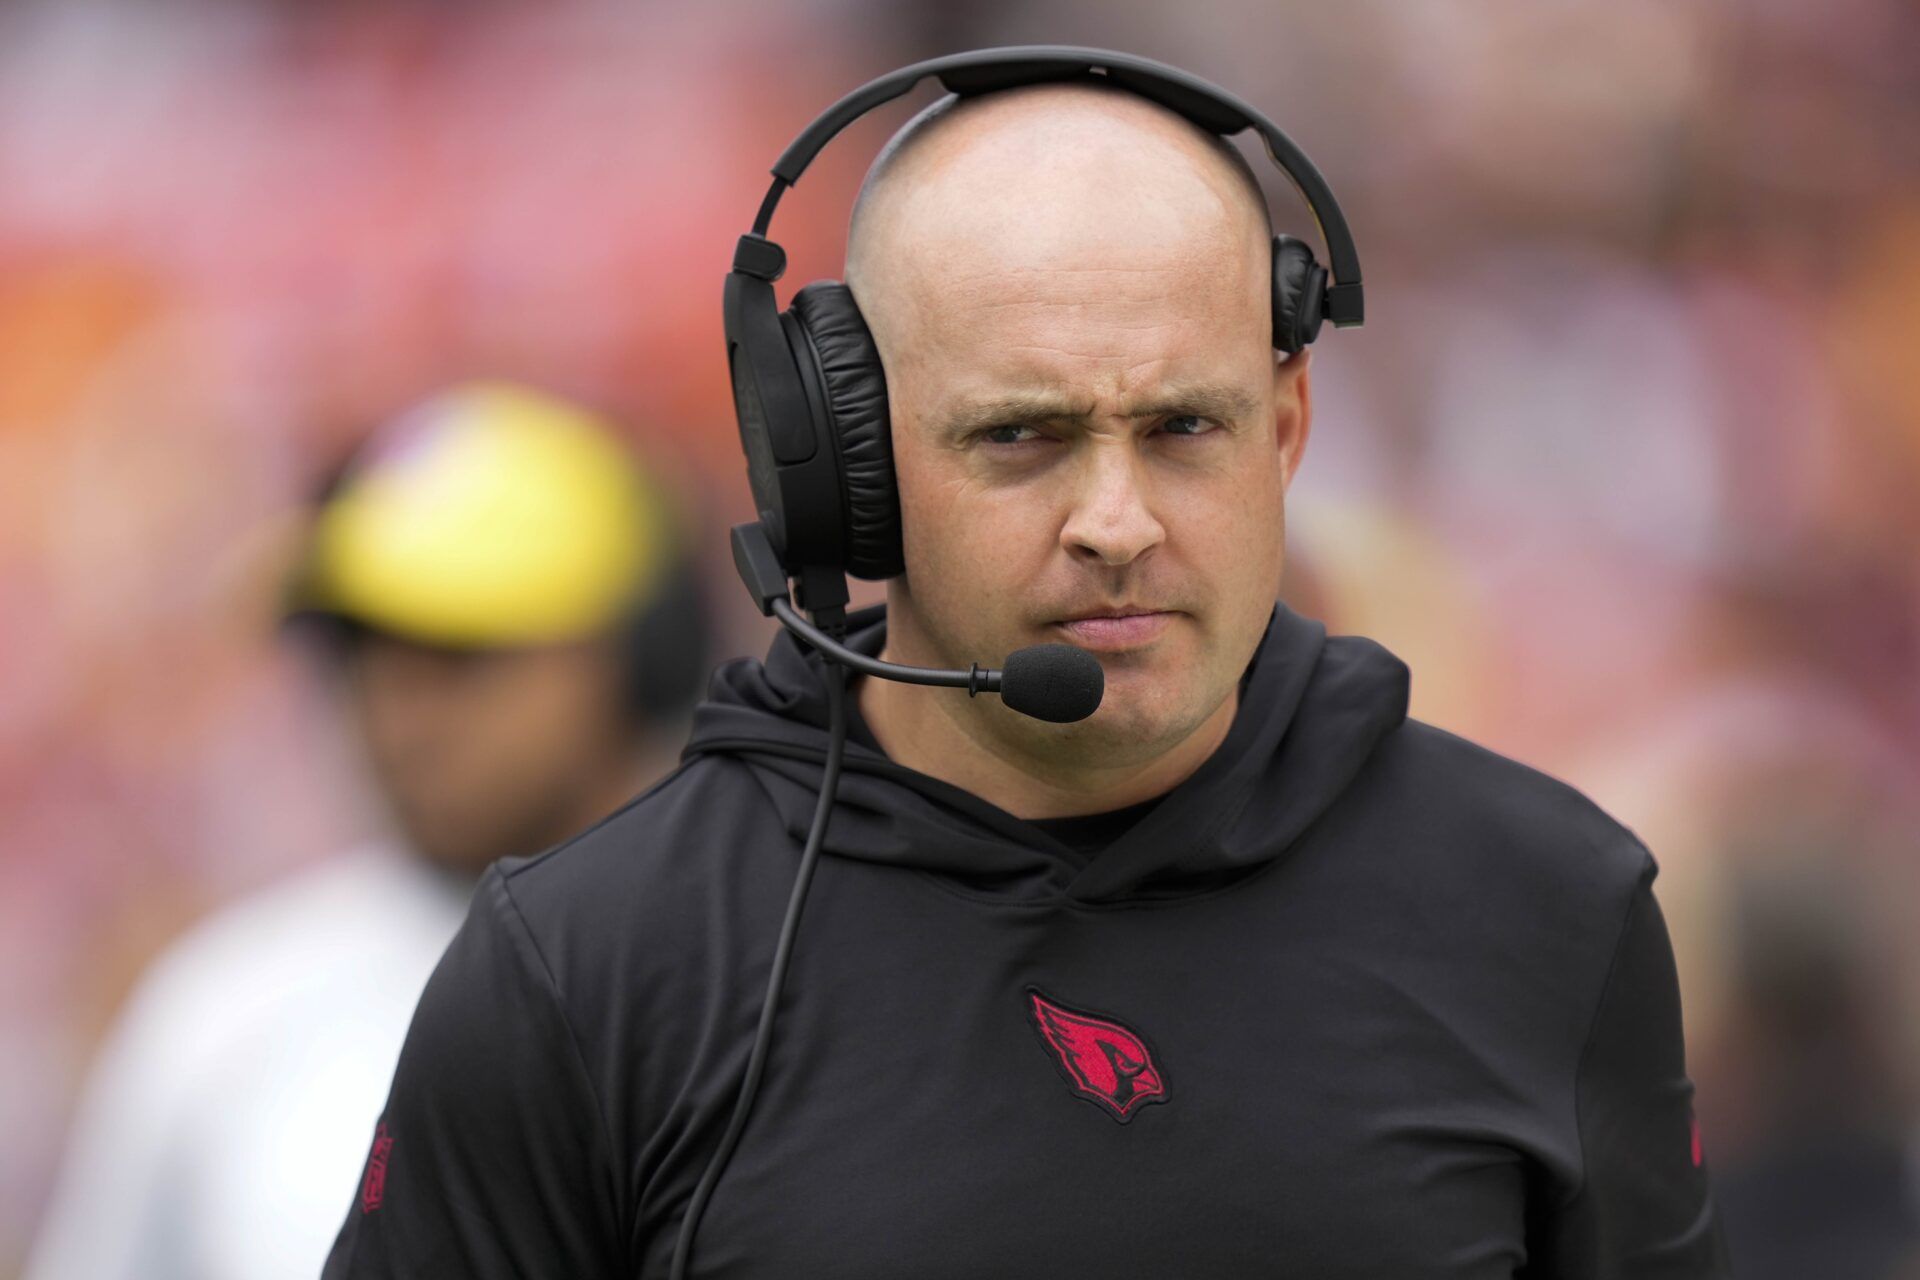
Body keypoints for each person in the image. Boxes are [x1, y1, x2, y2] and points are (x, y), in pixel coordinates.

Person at [325, 57, 1730, 1278]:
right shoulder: (588, 969)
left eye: (1184, 428)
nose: (1116, 522)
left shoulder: (1552, 906)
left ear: (1287, 430)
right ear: (850, 474)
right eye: (1021, 437)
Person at [25, 382, 712, 1280]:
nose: (398, 715)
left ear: (637, 655)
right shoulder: (225, 1010)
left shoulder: (769, 967)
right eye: (360, 653)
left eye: (460, 651)